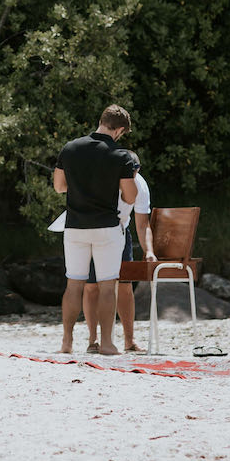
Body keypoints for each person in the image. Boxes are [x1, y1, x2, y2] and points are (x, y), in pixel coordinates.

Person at [53, 105, 138, 355]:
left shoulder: (70, 148)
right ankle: (108, 343)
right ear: (120, 130)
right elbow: (130, 197)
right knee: (107, 285)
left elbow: (59, 187)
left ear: (101, 121)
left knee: (74, 284)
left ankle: (67, 342)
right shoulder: (120, 155)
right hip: (106, 228)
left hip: (76, 226)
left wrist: (82, 187)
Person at [83, 154, 157, 353]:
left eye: (135, 170)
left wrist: (148, 251)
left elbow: (142, 224)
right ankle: (93, 340)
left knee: (125, 285)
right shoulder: (100, 179)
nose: (132, 174)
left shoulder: (140, 185)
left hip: (121, 231)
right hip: (92, 231)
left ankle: (129, 341)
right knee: (91, 286)